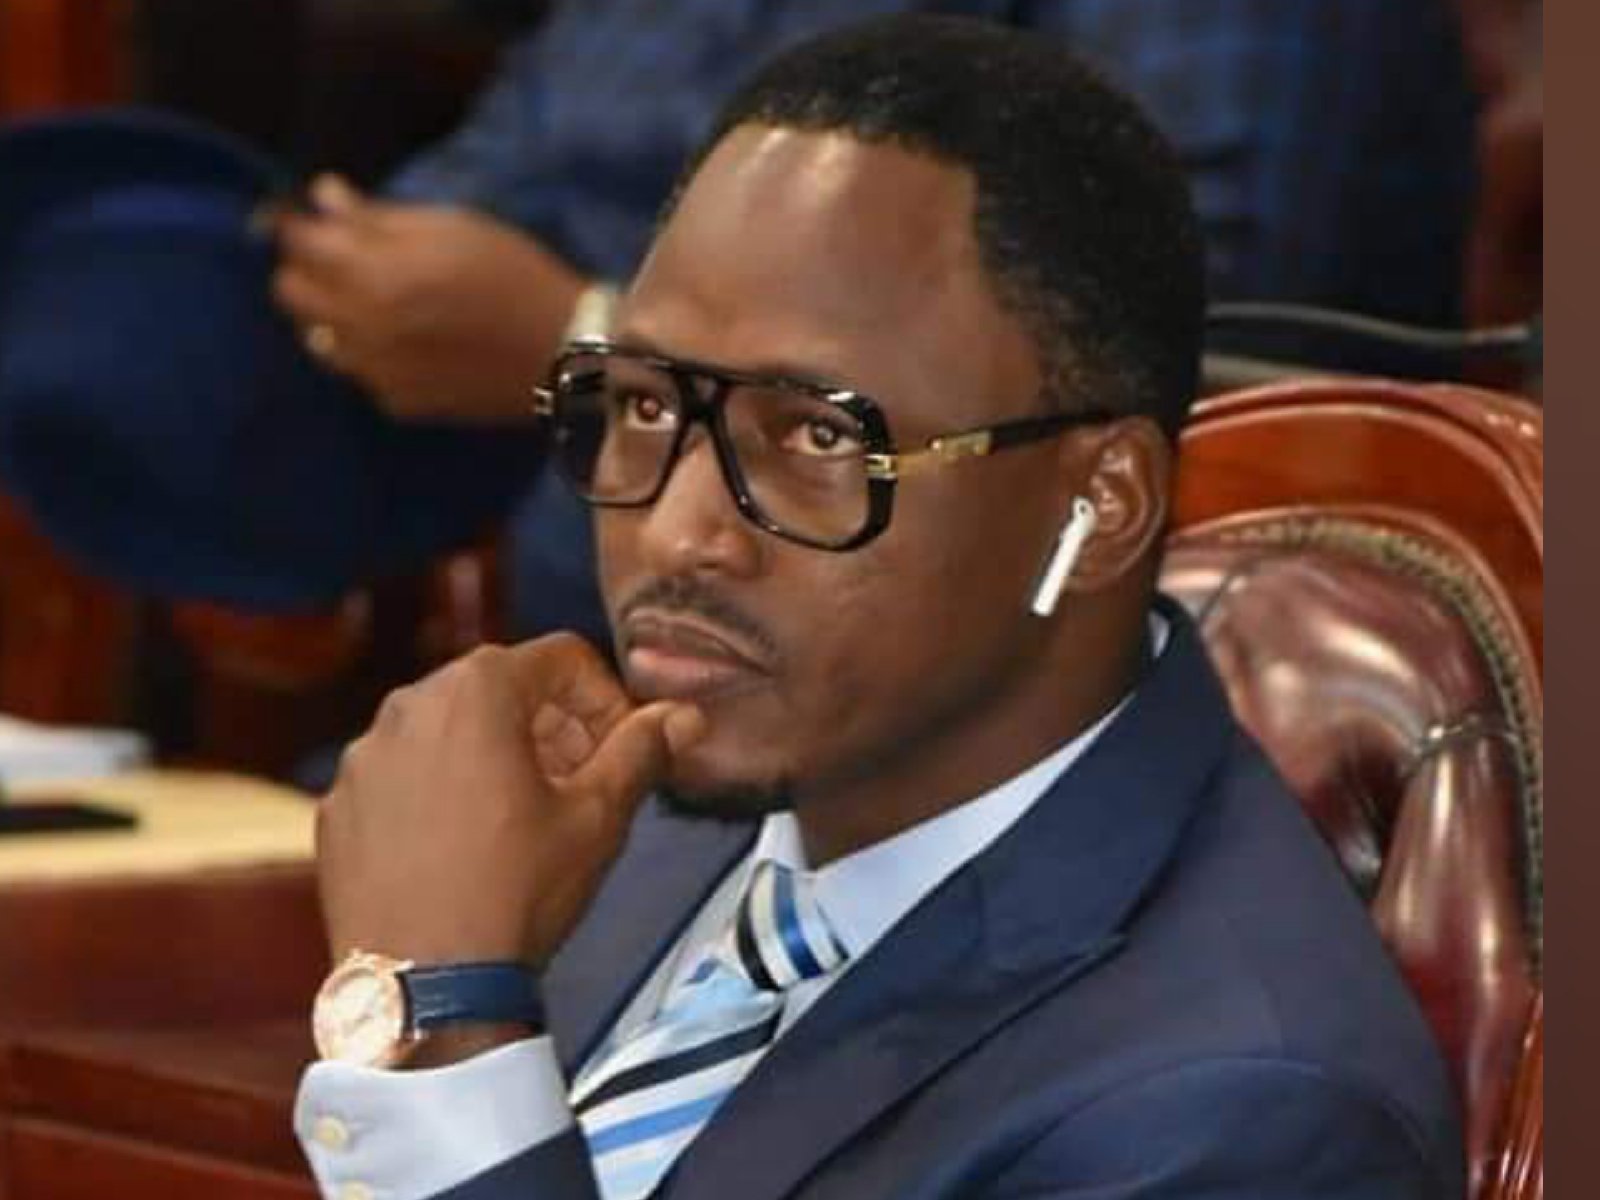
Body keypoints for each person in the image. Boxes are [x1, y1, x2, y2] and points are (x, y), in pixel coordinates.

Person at [294, 17, 1463, 1200]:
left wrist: (447, 1026)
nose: (680, 533)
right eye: (644, 406)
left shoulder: (1235, 1116)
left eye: (817, 436)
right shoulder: (640, 825)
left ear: (1101, 502)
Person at [269, 0, 1477, 638]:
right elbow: (465, 203)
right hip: (598, 698)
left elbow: (1183, 328)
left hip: (987, 764)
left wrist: (595, 340)